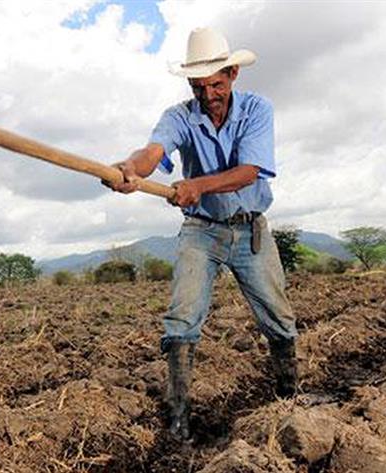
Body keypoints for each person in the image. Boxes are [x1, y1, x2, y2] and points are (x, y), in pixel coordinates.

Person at [103, 27, 298, 441]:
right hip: (201, 231)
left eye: (215, 84)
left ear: (232, 75)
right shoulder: (179, 116)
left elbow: (249, 171)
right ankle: (178, 419)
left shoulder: (257, 110)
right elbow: (153, 152)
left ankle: (289, 395)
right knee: (182, 316)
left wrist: (198, 186)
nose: (208, 94)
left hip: (250, 231)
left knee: (278, 317)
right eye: (198, 86)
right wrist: (131, 169)